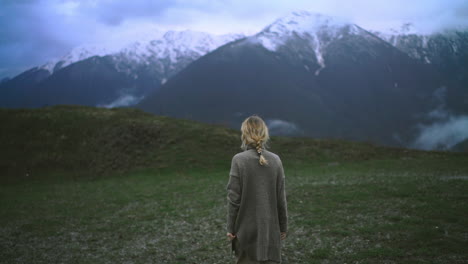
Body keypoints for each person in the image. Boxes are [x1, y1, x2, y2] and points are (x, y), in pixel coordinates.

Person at [226, 115, 288, 264]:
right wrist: (283, 227)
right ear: (264, 134)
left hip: (245, 233)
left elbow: (234, 199)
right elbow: (281, 198)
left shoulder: (239, 160)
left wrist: (230, 228)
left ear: (244, 134)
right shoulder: (276, 160)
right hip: (270, 234)